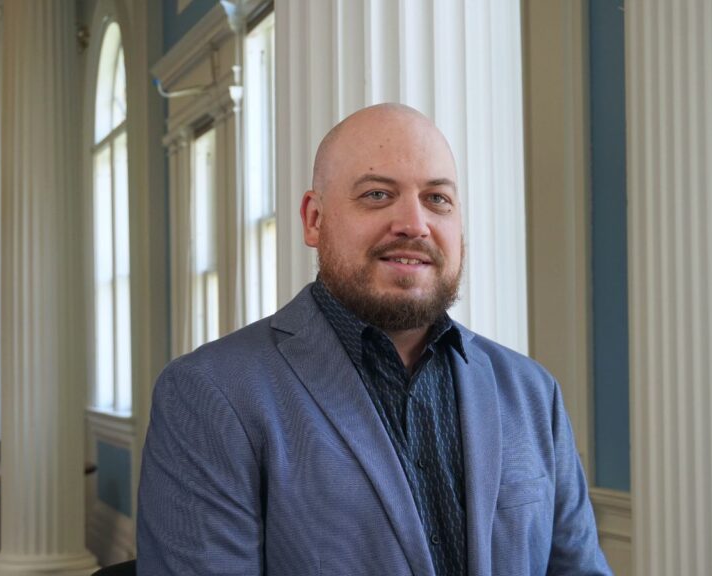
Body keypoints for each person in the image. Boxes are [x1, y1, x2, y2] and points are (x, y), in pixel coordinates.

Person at [137, 103, 611, 575]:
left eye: (437, 199)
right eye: (378, 195)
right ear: (314, 220)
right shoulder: (209, 393)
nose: (414, 224)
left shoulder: (533, 392)